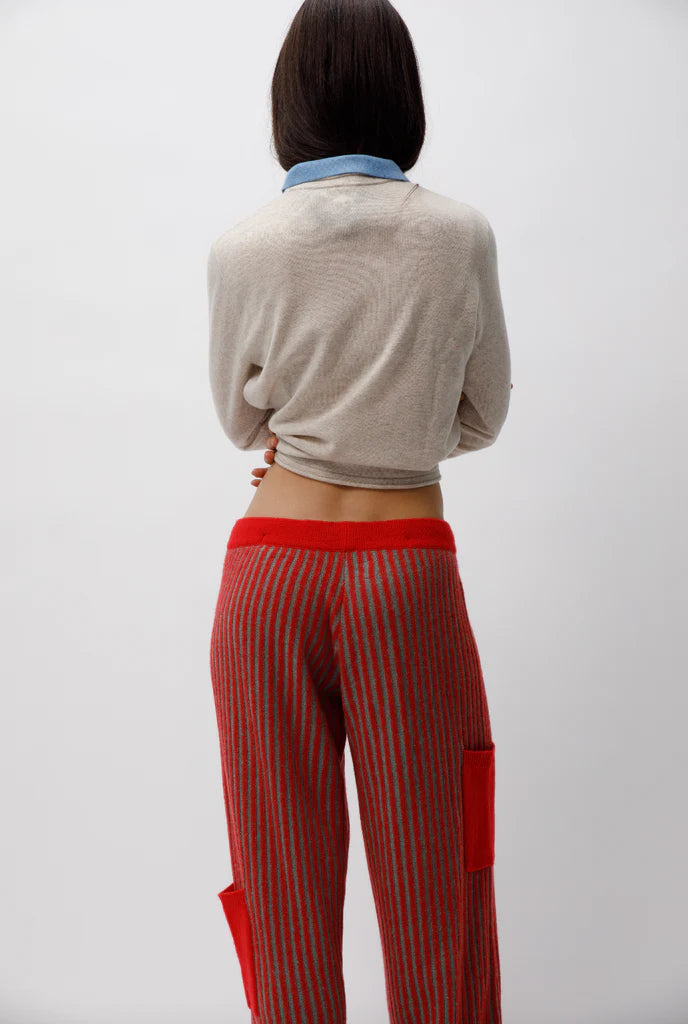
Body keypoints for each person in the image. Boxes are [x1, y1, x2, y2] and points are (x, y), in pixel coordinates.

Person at [206, 1, 512, 1021]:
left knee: (280, 888)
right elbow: (483, 414)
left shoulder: (241, 247)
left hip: (269, 574)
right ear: (401, 97)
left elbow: (240, 421)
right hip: (403, 574)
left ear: (289, 102)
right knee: (439, 878)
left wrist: (319, 423)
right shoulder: (458, 235)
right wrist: (396, 424)